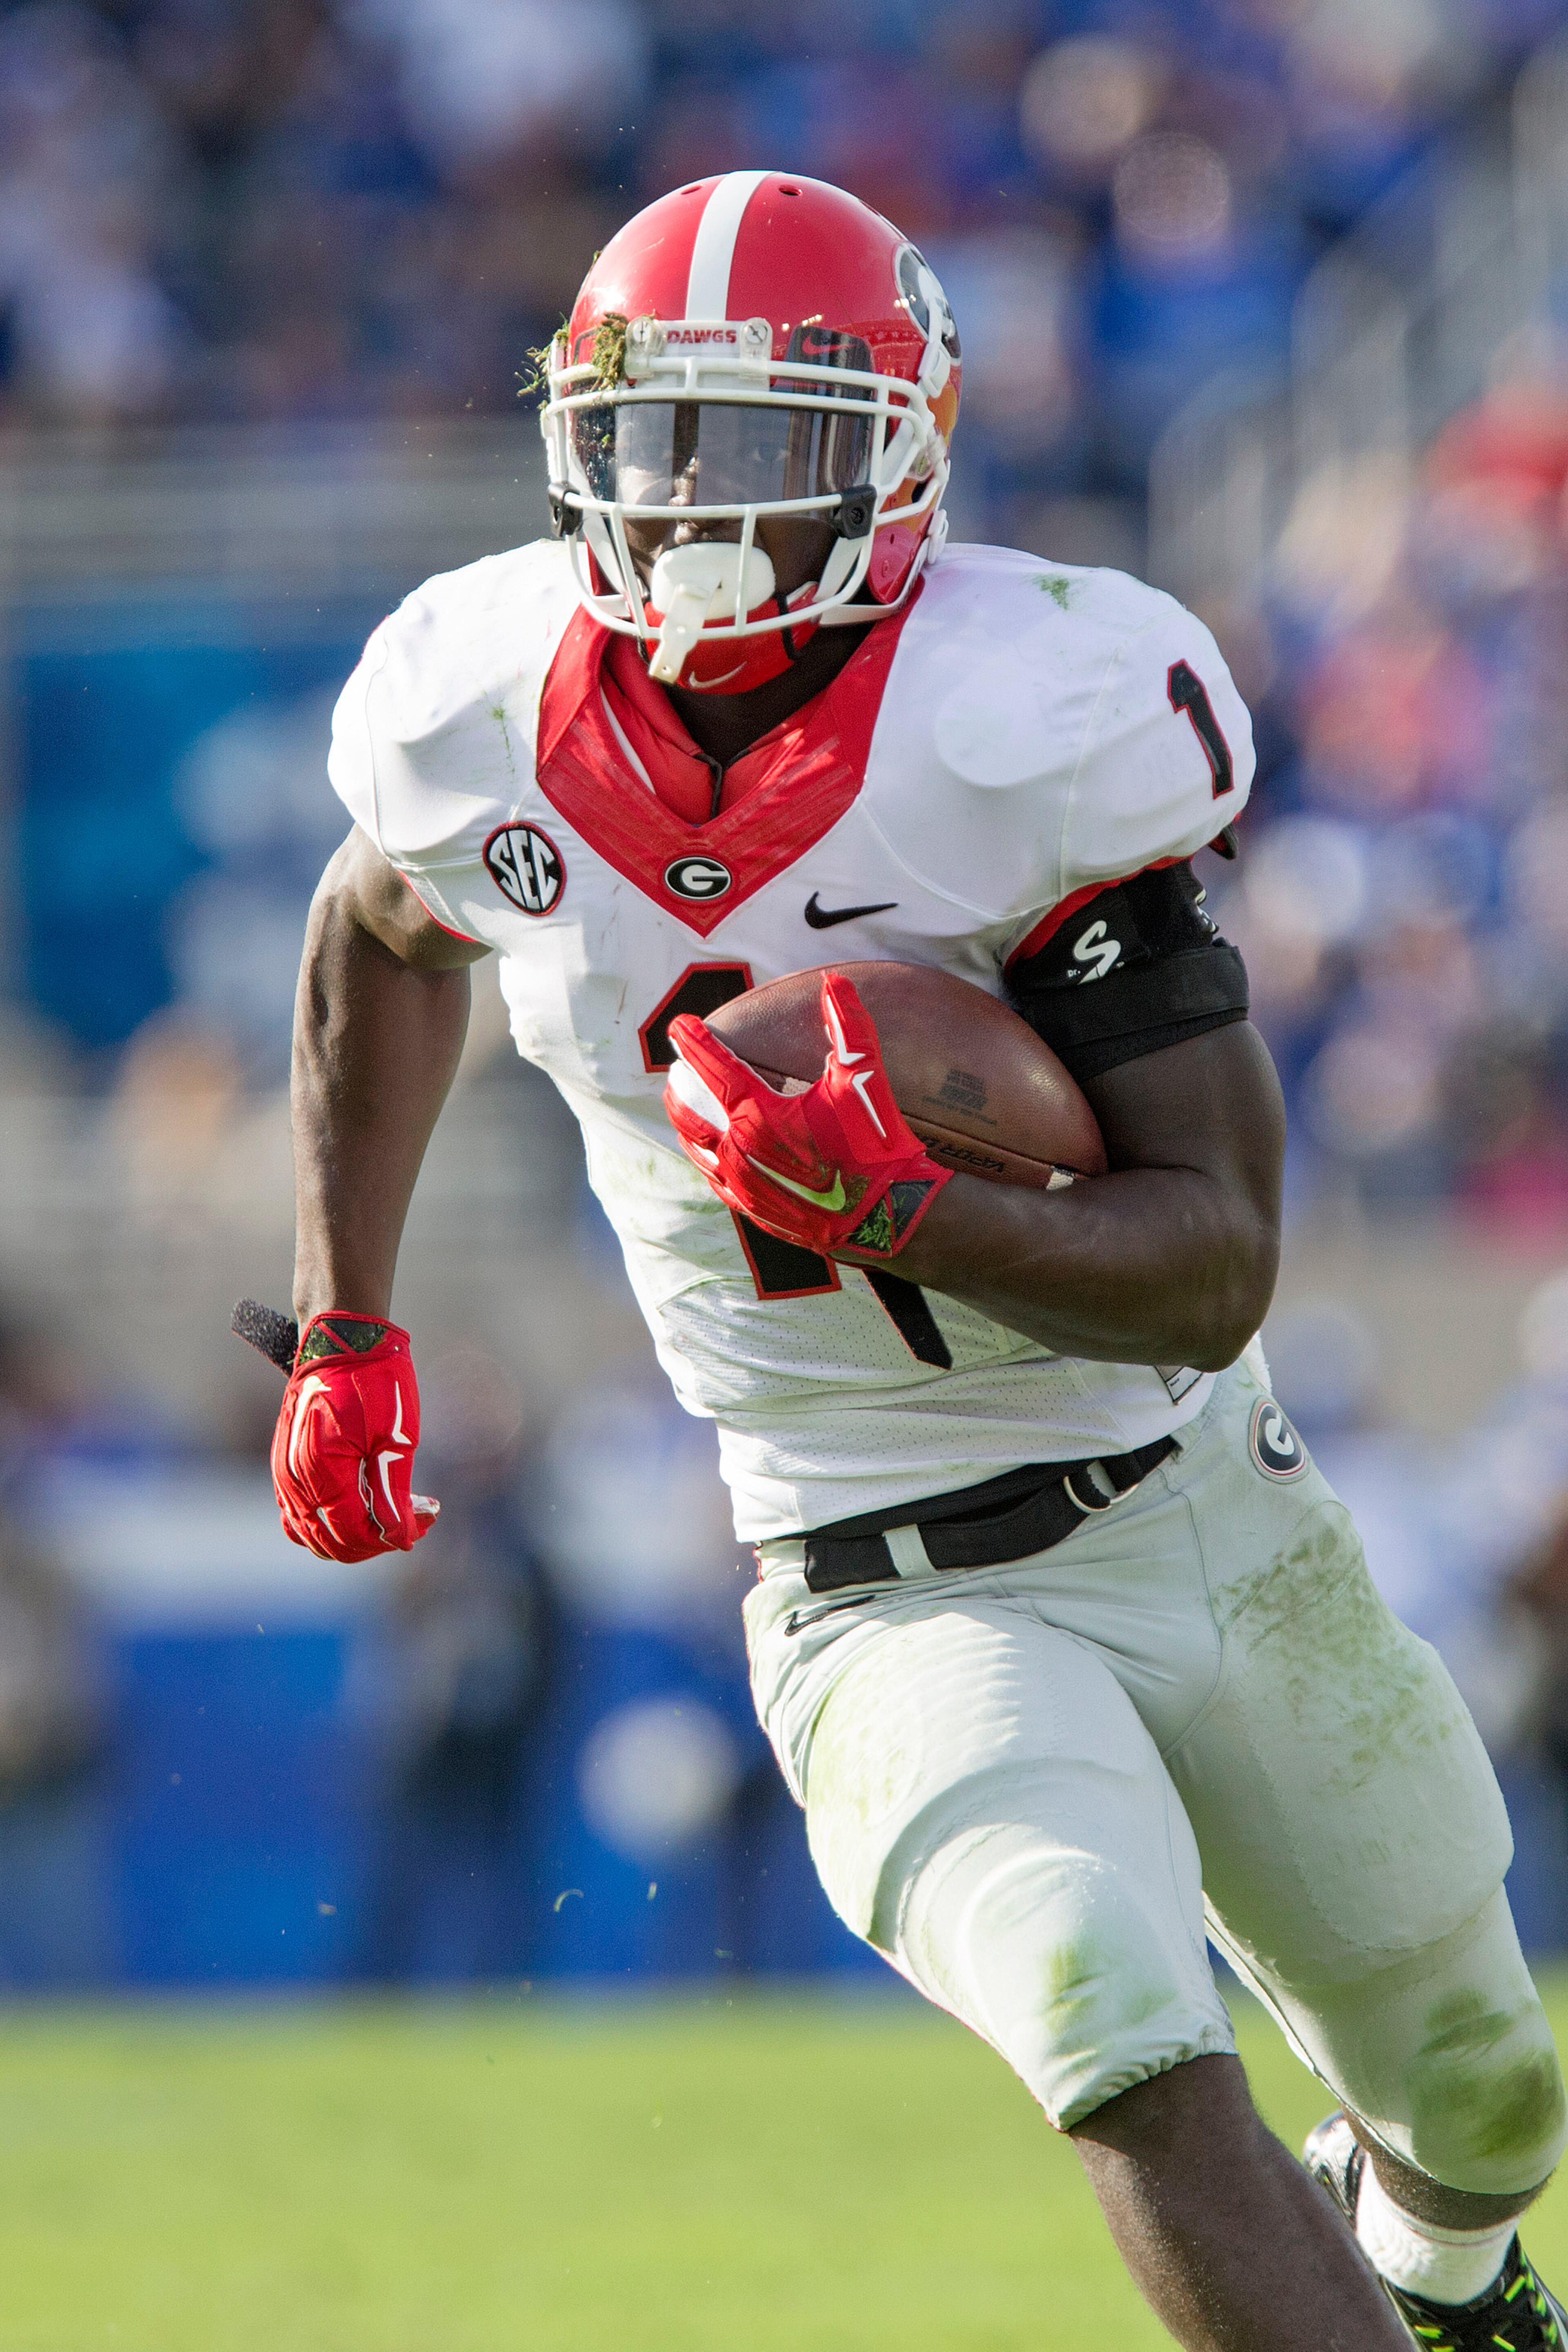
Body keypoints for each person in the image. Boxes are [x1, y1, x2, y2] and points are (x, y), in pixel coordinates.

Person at [264, 172, 1567, 2349]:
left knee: (1485, 2093)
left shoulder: (1026, 716)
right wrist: (343, 1317)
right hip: (870, 1569)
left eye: (761, 440)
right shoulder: (470, 702)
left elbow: (1218, 1259)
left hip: (1192, 1498)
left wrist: (907, 1211)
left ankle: (1437, 2264)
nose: (692, 500)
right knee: (1112, 2017)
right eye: (651, 432)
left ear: (898, 450)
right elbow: (378, 930)